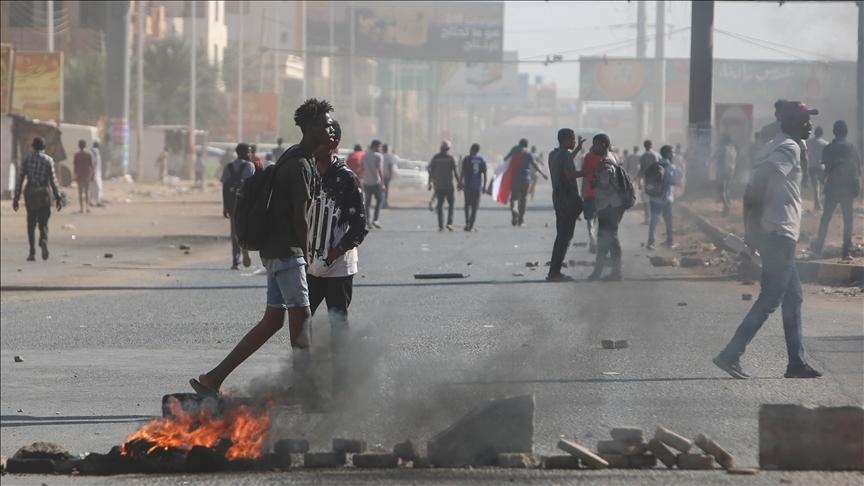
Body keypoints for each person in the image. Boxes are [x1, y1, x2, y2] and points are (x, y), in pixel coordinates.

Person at [191, 98, 334, 398]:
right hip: (288, 253)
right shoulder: (300, 164)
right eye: (325, 123)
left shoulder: (292, 156)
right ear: (310, 128)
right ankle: (303, 388)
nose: (330, 127)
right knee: (301, 317)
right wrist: (308, 259)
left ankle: (213, 378)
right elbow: (301, 217)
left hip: (274, 252)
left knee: (273, 321)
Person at [714, 101, 822, 380]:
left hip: (772, 231)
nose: (809, 125)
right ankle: (731, 353)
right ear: (790, 122)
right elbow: (759, 183)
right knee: (771, 298)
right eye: (804, 120)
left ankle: (796, 363)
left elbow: (753, 188)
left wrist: (752, 230)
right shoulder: (788, 148)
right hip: (778, 233)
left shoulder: (777, 144)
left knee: (793, 296)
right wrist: (754, 230)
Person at [307, 119, 368, 394]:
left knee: (337, 327)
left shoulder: (345, 178)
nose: (313, 146)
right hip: (308, 265)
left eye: (319, 141)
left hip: (338, 267)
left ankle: (341, 390)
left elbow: (359, 226)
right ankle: (307, 385)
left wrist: (334, 254)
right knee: (301, 325)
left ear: (332, 144)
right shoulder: (306, 171)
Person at [810, 120, 861, 261]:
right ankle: (846, 252)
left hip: (832, 189)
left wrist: (822, 180)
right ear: (846, 132)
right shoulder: (851, 148)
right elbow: (857, 169)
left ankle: (818, 249)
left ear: (834, 132)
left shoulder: (828, 148)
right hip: (847, 190)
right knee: (848, 221)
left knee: (825, 219)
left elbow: (825, 170)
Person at [13, 137, 63, 261]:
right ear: (44, 147)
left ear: (33, 147)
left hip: (31, 194)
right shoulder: (49, 160)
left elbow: (20, 179)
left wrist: (16, 197)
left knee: (31, 224)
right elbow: (53, 181)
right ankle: (43, 239)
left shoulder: (27, 160)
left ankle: (32, 252)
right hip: (44, 194)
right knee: (43, 223)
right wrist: (58, 197)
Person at [546, 129, 586, 281]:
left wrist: (577, 149)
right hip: (567, 198)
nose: (575, 141)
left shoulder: (554, 154)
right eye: (573, 139)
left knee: (561, 236)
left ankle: (554, 271)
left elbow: (567, 160)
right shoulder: (563, 155)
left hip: (558, 198)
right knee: (565, 237)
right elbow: (570, 174)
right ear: (565, 140)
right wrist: (591, 171)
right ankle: (554, 272)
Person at [587, 134, 626, 281]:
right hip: (612, 204)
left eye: (595, 144)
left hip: (609, 205)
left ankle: (615, 272)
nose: (593, 147)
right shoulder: (614, 157)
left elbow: (605, 184)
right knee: (606, 238)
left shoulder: (606, 162)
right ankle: (600, 271)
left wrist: (595, 180)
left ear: (603, 145)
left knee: (609, 238)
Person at [221, 143, 256, 270]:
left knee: (234, 231)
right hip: (246, 204)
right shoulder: (249, 166)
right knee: (246, 229)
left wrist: (225, 206)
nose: (250, 154)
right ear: (244, 152)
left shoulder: (228, 167)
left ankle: (235, 259)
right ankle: (245, 248)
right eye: (249, 152)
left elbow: (224, 187)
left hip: (232, 203)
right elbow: (253, 187)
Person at [645, 145, 680, 250]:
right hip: (666, 199)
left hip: (654, 198)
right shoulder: (670, 167)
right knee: (668, 221)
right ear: (668, 154)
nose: (673, 154)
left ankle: (651, 242)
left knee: (653, 221)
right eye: (672, 152)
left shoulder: (655, 165)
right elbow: (674, 181)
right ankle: (670, 242)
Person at [507, 138, 547, 226]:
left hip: (515, 179)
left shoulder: (514, 154)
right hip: (525, 179)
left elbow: (506, 161)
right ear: (526, 145)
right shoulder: (528, 154)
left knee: (514, 199)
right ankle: (521, 220)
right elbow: (535, 164)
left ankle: (514, 217)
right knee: (523, 199)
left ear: (519, 144)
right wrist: (542, 174)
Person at [428, 141, 461, 231]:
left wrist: (429, 182)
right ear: (448, 149)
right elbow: (455, 172)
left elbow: (430, 170)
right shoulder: (451, 158)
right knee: (451, 204)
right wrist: (459, 183)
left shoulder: (436, 158)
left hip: (439, 186)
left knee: (440, 205)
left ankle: (441, 225)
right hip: (448, 186)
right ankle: (449, 223)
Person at [460, 143, 487, 232]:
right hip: (477, 187)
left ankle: (467, 222)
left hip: (468, 186)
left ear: (471, 149)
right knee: (474, 207)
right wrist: (484, 186)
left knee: (467, 205)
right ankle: (471, 225)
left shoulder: (467, 159)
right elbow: (484, 174)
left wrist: (460, 182)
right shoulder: (481, 160)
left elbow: (463, 172)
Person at [360, 139, 384, 229]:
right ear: (375, 146)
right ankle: (375, 219)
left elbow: (361, 168)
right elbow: (380, 170)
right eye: (379, 146)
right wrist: (382, 183)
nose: (380, 148)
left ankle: (368, 221)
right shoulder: (378, 156)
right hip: (376, 182)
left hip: (366, 182)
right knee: (379, 200)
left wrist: (360, 179)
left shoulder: (365, 155)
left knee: (367, 203)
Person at [714, 134, 738, 216]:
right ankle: (727, 206)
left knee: (722, 190)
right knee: (727, 189)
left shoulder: (723, 148)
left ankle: (727, 206)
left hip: (723, 171)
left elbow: (715, 156)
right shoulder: (733, 149)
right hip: (731, 171)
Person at [637, 140, 660, 224]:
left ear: (644, 146)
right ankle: (655, 219)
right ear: (651, 145)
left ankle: (647, 219)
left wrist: (639, 182)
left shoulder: (643, 156)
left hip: (647, 181)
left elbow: (641, 170)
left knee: (646, 201)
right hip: (655, 180)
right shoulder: (656, 155)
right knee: (655, 199)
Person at [807, 126, 828, 211]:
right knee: (825, 184)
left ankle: (817, 204)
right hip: (821, 166)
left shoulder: (809, 142)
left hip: (811, 166)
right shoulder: (825, 143)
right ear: (822, 133)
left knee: (815, 186)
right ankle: (826, 202)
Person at [73, 140, 94, 214]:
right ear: (85, 145)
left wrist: (75, 175)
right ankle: (87, 208)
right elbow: (91, 166)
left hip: (79, 176)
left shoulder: (76, 155)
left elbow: (75, 166)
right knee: (86, 192)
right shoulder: (88, 154)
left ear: (79, 146)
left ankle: (81, 209)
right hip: (87, 175)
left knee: (80, 192)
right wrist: (92, 175)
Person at [381, 144, 397, 208]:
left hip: (380, 175)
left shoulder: (380, 156)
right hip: (386, 175)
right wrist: (390, 175)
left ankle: (382, 202)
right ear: (387, 149)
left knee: (381, 189)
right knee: (386, 189)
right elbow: (390, 166)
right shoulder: (389, 156)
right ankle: (385, 202)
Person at [89, 140, 103, 206]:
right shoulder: (95, 151)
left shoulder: (93, 151)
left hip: (95, 172)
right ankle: (96, 201)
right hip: (94, 173)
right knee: (96, 187)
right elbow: (93, 162)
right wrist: (93, 172)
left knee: (92, 187)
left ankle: (92, 201)